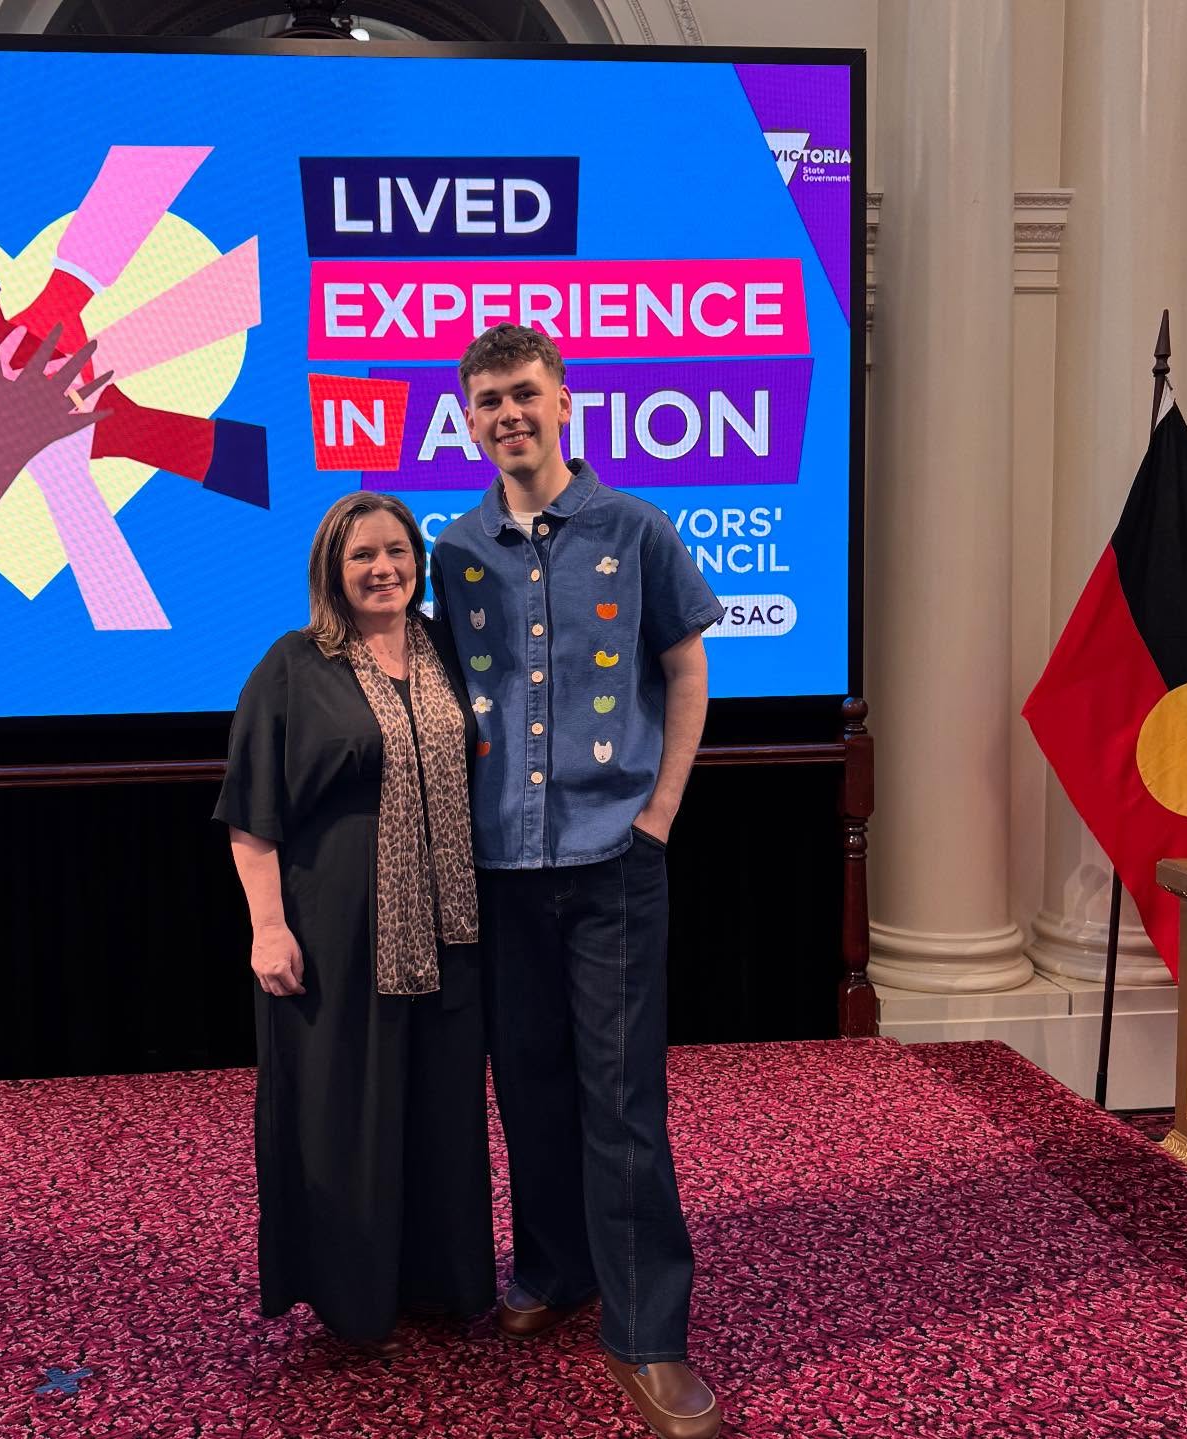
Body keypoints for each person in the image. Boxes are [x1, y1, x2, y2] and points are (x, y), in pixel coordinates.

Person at [430, 324, 725, 1439]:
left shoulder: (635, 528)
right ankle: (555, 1267)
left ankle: (650, 1331)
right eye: (489, 400)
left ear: (565, 401)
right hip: (503, 867)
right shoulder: (453, 551)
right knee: (531, 1083)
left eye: (525, 393)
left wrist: (660, 813)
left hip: (613, 862)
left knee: (623, 1100)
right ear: (471, 419)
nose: (509, 413)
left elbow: (686, 666)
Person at [214, 492, 495, 1357]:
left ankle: (439, 1283)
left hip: (450, 929)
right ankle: (350, 1292)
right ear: (331, 570)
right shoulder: (294, 665)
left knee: (440, 1107)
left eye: (399, 552)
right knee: (347, 1110)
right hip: (336, 935)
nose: (385, 569)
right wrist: (268, 929)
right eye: (363, 555)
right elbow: (250, 818)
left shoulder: (448, 650)